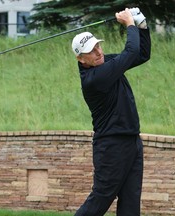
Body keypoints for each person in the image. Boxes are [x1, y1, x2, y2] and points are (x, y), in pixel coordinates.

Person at [72, 7, 151, 216]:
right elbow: (130, 51)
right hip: (111, 146)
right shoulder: (95, 79)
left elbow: (141, 54)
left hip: (132, 141)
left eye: (98, 46)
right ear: (81, 59)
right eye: (91, 50)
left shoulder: (105, 64)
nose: (98, 52)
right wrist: (129, 24)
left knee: (130, 203)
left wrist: (142, 25)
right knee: (100, 199)